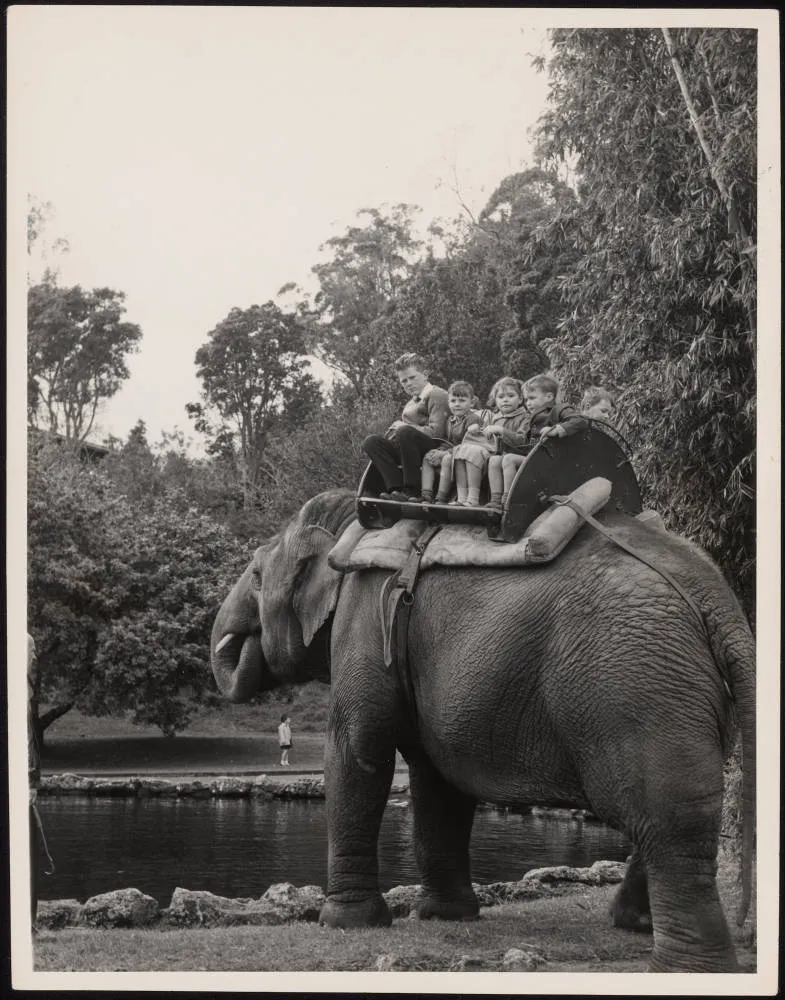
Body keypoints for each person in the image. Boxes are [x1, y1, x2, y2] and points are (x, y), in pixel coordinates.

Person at [487, 373, 588, 510]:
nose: (528, 403)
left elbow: (580, 420)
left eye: (532, 398)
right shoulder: (532, 418)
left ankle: (508, 500)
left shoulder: (558, 409)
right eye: (527, 399)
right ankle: (495, 499)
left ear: (549, 397)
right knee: (495, 460)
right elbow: (523, 442)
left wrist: (557, 429)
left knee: (509, 459)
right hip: (533, 459)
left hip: (551, 462)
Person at [362, 353, 450, 502]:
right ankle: (395, 489)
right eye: (403, 381)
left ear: (425, 375)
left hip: (434, 446)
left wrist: (405, 427)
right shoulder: (410, 403)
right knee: (371, 442)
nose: (408, 383)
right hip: (409, 446)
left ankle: (412, 490)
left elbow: (437, 433)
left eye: (412, 377)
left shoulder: (437, 395)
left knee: (404, 431)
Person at [451, 377, 527, 506]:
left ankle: (478, 499)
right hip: (495, 455)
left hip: (513, 455)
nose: (505, 400)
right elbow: (486, 435)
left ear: (520, 399)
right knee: (462, 450)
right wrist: (478, 429)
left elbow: (522, 441)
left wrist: (501, 430)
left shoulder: (524, 417)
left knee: (481, 455)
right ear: (495, 400)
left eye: (511, 396)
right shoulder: (495, 418)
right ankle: (465, 498)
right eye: (501, 397)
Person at [419, 381, 482, 503]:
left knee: (447, 459)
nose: (457, 405)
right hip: (451, 451)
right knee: (428, 457)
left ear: (472, 402)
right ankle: (426, 494)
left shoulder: (473, 419)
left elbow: (469, 444)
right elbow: (447, 441)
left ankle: (441, 498)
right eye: (453, 401)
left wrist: (445, 453)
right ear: (448, 402)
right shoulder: (450, 420)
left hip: (467, 455)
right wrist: (439, 451)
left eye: (462, 401)